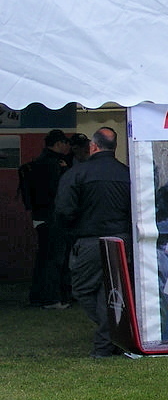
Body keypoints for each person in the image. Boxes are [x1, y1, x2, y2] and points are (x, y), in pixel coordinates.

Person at [54, 127, 133, 359]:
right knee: (111, 292)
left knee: (83, 289)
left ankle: (106, 341)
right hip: (122, 240)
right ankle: (111, 339)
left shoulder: (77, 174)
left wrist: (72, 233)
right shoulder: (128, 174)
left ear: (93, 146)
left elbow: (63, 211)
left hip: (89, 242)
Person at [27, 129, 71, 308]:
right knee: (54, 259)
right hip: (53, 216)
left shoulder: (38, 161)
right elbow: (57, 192)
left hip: (39, 216)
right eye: (65, 143)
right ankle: (51, 298)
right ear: (59, 143)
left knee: (43, 258)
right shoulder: (55, 163)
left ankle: (37, 297)